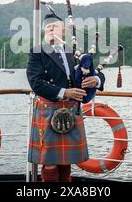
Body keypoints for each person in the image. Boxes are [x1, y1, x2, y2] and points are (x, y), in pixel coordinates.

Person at [26, 13, 105, 182]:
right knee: (50, 163)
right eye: (48, 27)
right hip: (49, 110)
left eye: (55, 26)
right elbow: (36, 83)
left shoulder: (71, 52)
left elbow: (92, 71)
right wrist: (65, 92)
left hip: (70, 109)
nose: (50, 28)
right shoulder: (37, 52)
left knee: (65, 162)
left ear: (63, 32)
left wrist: (96, 80)